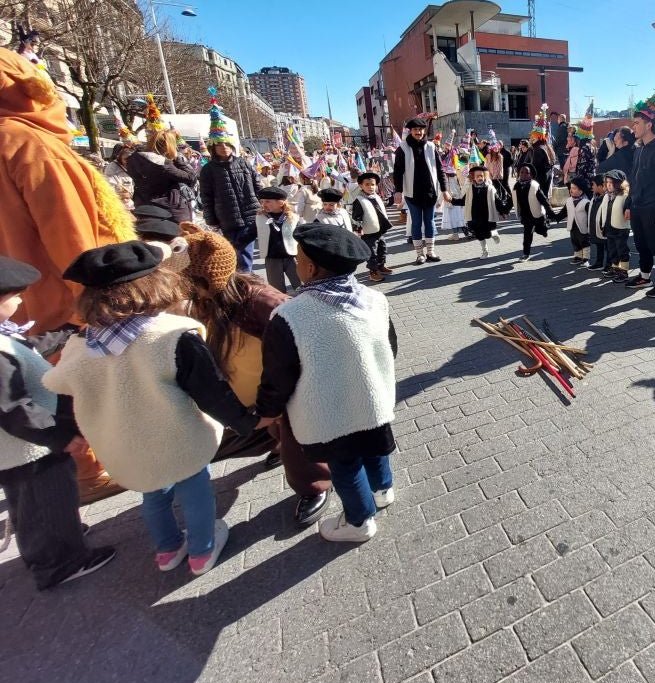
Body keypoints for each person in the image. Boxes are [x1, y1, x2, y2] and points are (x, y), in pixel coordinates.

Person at [45, 242, 263, 575]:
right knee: (195, 489)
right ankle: (202, 551)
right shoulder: (172, 335)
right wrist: (244, 422)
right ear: (155, 284)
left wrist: (64, 434)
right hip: (178, 437)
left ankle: (167, 549)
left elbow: (59, 386)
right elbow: (211, 392)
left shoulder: (79, 345)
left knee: (153, 493)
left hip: (125, 446)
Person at [0, 46, 134, 502]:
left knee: (37, 387)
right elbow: (76, 244)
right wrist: (103, 303)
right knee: (74, 389)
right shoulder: (31, 147)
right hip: (59, 301)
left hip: (18, 303)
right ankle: (90, 470)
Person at [181, 226, 332, 528]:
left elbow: (304, 338)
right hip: (252, 397)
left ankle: (315, 485)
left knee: (297, 440)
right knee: (267, 433)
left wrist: (285, 394)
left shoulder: (260, 302)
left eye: (188, 281)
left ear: (207, 280)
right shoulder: (206, 303)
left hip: (281, 391)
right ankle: (278, 444)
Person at [256, 225, 398, 543]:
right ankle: (382, 491)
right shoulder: (375, 299)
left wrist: (267, 410)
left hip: (328, 413)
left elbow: (278, 375)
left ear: (310, 268)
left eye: (298, 258)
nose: (296, 263)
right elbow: (391, 348)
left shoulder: (289, 316)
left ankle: (359, 522)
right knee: (375, 448)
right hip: (372, 398)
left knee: (345, 466)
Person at [0, 256, 116, 590]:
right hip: (31, 446)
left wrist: (66, 332)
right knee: (46, 499)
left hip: (26, 445)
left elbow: (27, 348)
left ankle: (52, 540)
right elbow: (13, 408)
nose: (20, 301)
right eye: (13, 296)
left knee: (31, 502)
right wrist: (58, 436)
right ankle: (59, 562)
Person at [199, 130, 262, 274]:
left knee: (245, 255)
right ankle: (242, 280)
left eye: (227, 144)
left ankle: (245, 281)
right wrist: (211, 220)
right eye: (220, 145)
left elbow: (258, 186)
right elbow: (206, 197)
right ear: (213, 148)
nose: (224, 147)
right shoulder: (208, 170)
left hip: (250, 216)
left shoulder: (244, 163)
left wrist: (265, 204)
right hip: (227, 219)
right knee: (234, 254)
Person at [625, 115, 655, 297]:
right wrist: (629, 204)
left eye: (637, 123)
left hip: (653, 208)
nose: (633, 127)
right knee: (641, 244)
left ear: (648, 125)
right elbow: (633, 180)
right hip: (637, 206)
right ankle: (645, 276)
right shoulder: (639, 149)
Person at [392, 117, 450, 265]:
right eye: (415, 130)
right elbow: (397, 171)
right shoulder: (403, 148)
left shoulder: (431, 146)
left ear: (424, 131)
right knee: (416, 223)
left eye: (420, 129)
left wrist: (444, 190)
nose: (418, 132)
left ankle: (430, 252)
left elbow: (440, 169)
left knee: (430, 222)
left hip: (430, 192)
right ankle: (419, 254)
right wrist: (398, 191)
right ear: (410, 131)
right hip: (412, 193)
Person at [127, 130, 197, 224]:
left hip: (143, 204)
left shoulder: (133, 159)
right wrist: (177, 157)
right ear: (168, 146)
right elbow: (190, 176)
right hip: (168, 208)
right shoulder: (163, 164)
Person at [450, 165, 508, 259]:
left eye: (481, 176)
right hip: (475, 216)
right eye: (477, 176)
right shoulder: (470, 189)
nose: (480, 178)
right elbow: (463, 201)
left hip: (487, 216)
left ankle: (493, 234)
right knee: (479, 235)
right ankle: (485, 251)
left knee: (487, 234)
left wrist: (503, 211)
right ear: (473, 177)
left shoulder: (490, 188)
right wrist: (452, 200)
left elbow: (497, 201)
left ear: (485, 176)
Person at [255, 187, 302, 293]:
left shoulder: (292, 217)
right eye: (262, 202)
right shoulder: (260, 217)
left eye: (268, 201)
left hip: (292, 258)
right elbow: (251, 233)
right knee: (277, 290)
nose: (264, 204)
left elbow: (301, 235)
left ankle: (305, 302)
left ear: (280, 203)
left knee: (301, 285)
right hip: (272, 259)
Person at [351, 172, 392, 282]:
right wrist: (358, 229)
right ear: (361, 186)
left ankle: (381, 265)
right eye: (367, 184)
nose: (371, 187)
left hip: (379, 229)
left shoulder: (376, 197)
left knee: (382, 248)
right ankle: (373, 271)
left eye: (373, 184)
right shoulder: (359, 200)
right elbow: (357, 216)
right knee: (371, 252)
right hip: (368, 231)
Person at [512, 165, 556, 261]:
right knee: (527, 235)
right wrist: (504, 210)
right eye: (521, 172)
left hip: (537, 214)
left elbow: (544, 200)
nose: (523, 174)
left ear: (531, 175)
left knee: (540, 230)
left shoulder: (534, 186)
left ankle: (544, 229)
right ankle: (526, 254)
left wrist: (551, 213)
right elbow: (511, 200)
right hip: (526, 215)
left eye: (526, 173)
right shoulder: (516, 186)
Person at [601, 171, 632, 283]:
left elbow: (629, 206)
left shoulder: (624, 196)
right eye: (607, 182)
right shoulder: (608, 196)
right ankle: (615, 267)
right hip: (610, 227)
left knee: (622, 249)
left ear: (619, 183)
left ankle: (624, 271)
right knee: (612, 249)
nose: (608, 185)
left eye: (611, 182)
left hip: (621, 229)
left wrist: (628, 208)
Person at [555, 177, 592, 265]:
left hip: (583, 226)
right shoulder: (569, 201)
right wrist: (556, 218)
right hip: (572, 226)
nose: (571, 190)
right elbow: (564, 212)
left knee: (584, 242)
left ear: (581, 191)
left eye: (574, 188)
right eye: (571, 188)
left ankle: (586, 258)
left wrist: (591, 226)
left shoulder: (586, 202)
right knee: (575, 241)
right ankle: (578, 256)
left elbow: (590, 215)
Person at [104, 144, 135, 210]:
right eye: (125, 159)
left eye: (131, 159)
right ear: (120, 158)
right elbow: (109, 185)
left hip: (132, 203)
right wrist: (120, 194)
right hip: (120, 204)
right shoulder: (112, 167)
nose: (128, 161)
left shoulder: (135, 166)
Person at [586, 176, 607, 271]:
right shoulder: (594, 198)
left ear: (601, 186)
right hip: (596, 228)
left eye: (593, 184)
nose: (592, 187)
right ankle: (599, 263)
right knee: (599, 245)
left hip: (604, 229)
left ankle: (609, 265)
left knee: (609, 247)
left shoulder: (607, 198)